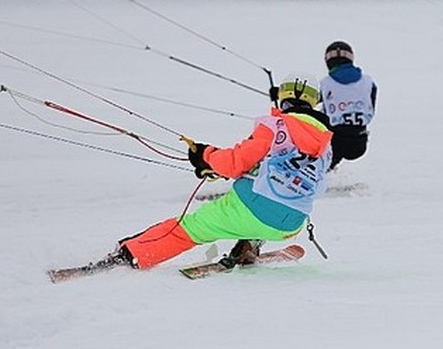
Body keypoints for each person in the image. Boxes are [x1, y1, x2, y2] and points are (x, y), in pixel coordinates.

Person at [95, 80, 334, 270]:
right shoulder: (326, 145)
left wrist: (205, 155)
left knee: (188, 229)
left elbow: (235, 163)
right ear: (314, 102)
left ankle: (131, 255)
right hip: (290, 225)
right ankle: (248, 246)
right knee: (270, 200)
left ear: (282, 98)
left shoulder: (276, 125)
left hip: (248, 211)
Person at [319, 41, 377, 171]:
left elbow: (308, 101)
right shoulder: (368, 82)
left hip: (334, 141)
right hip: (359, 141)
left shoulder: (325, 84)